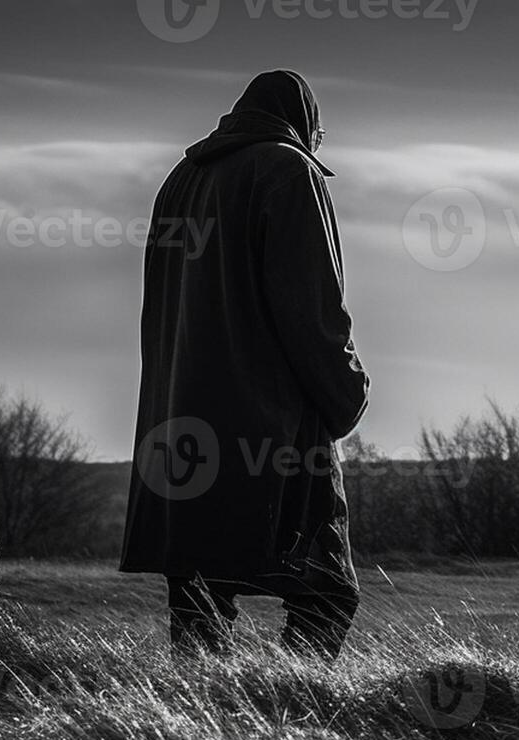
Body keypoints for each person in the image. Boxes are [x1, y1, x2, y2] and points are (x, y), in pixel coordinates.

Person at [120, 69, 370, 659]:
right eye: (322, 133)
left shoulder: (180, 180)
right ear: (305, 123)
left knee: (200, 600)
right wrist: (347, 393)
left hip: (179, 433)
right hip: (272, 430)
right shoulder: (290, 171)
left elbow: (161, 314)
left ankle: (197, 734)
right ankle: (291, 726)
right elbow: (313, 308)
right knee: (327, 590)